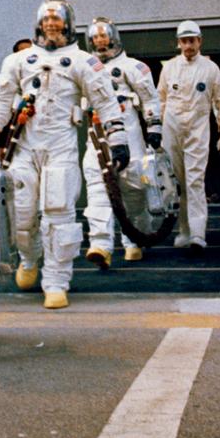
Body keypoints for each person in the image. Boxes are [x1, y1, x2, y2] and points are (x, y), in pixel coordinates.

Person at [0, 0, 129, 309]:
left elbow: (105, 100)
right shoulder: (18, 61)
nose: (52, 26)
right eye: (47, 21)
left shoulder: (84, 61)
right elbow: (2, 103)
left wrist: (118, 138)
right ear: (39, 25)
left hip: (61, 147)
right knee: (23, 215)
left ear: (68, 26)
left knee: (59, 214)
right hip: (25, 147)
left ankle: (56, 280)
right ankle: (28, 259)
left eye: (57, 22)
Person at [81, 16, 162, 267]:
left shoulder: (134, 67)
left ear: (114, 37)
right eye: (95, 37)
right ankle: (101, 244)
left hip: (128, 130)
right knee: (97, 186)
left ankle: (132, 239)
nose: (100, 41)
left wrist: (154, 127)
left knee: (133, 187)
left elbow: (150, 98)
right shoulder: (84, 68)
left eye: (103, 36)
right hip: (97, 133)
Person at [158, 20, 220, 252]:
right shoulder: (169, 68)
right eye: (184, 41)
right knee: (178, 184)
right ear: (178, 43)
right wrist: (157, 131)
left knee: (195, 181)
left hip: (198, 131)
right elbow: (160, 100)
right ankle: (185, 230)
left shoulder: (211, 69)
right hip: (172, 129)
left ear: (200, 41)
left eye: (192, 40)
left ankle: (198, 233)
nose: (188, 45)